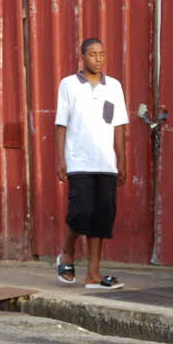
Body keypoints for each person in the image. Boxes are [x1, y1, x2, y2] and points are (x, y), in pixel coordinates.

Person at [53, 38, 129, 290]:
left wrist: (122, 160)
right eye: (93, 54)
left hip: (106, 163)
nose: (98, 59)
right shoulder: (69, 85)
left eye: (101, 54)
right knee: (81, 211)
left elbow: (118, 126)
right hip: (79, 160)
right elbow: (61, 124)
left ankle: (93, 275)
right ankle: (67, 252)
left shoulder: (114, 87)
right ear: (82, 57)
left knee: (102, 218)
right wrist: (61, 158)